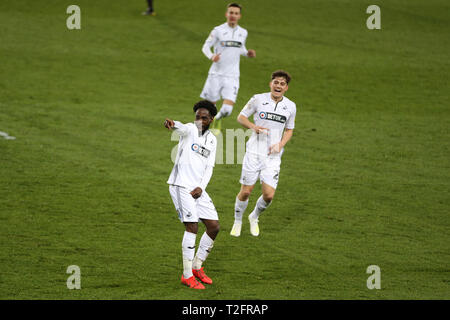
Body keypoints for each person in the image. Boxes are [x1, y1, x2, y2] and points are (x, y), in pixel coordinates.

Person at [230, 70, 297, 237]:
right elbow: (241, 117)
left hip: (273, 155)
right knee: (246, 191)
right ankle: (237, 221)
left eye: (282, 84)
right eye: (276, 82)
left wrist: (280, 144)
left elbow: (289, 130)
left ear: (286, 88)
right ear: (270, 84)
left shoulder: (290, 106)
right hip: (254, 151)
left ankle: (254, 217)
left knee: (268, 195)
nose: (278, 86)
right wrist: (254, 127)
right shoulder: (258, 99)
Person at [165, 100, 220, 289]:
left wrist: (201, 187)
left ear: (211, 119)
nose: (199, 121)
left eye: (204, 118)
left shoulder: (212, 140)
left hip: (198, 189)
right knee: (192, 227)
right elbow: (179, 127)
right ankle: (187, 275)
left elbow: (209, 168)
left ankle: (197, 266)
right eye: (197, 117)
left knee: (213, 226)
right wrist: (173, 124)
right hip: (181, 185)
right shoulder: (189, 130)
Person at [200, 3, 256, 132]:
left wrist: (247, 54)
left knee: (227, 110)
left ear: (239, 16)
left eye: (236, 13)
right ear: (226, 14)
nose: (233, 15)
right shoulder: (218, 30)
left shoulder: (243, 32)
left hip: (233, 76)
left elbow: (240, 48)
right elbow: (205, 46)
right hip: (216, 74)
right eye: (231, 12)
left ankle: (216, 120)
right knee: (208, 108)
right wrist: (211, 56)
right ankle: (200, 133)